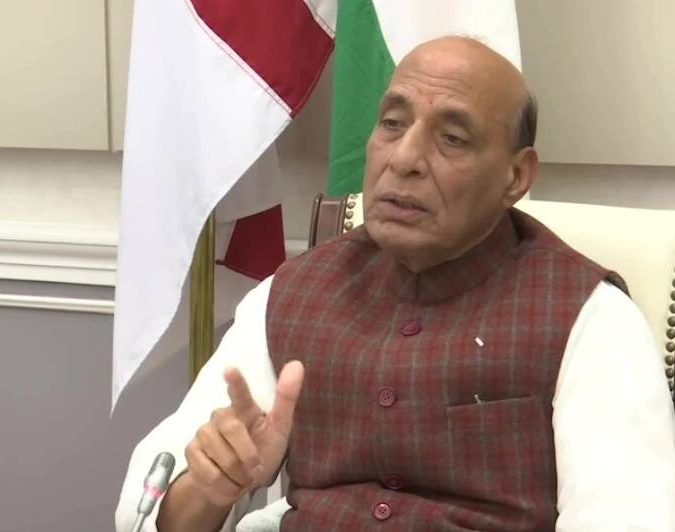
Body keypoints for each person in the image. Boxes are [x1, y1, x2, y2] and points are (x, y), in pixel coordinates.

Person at [116, 37, 675, 531]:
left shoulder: (589, 318)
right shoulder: (290, 293)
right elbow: (152, 510)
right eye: (392, 124)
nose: (404, 158)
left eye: (451, 138)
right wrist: (213, 488)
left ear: (516, 175)